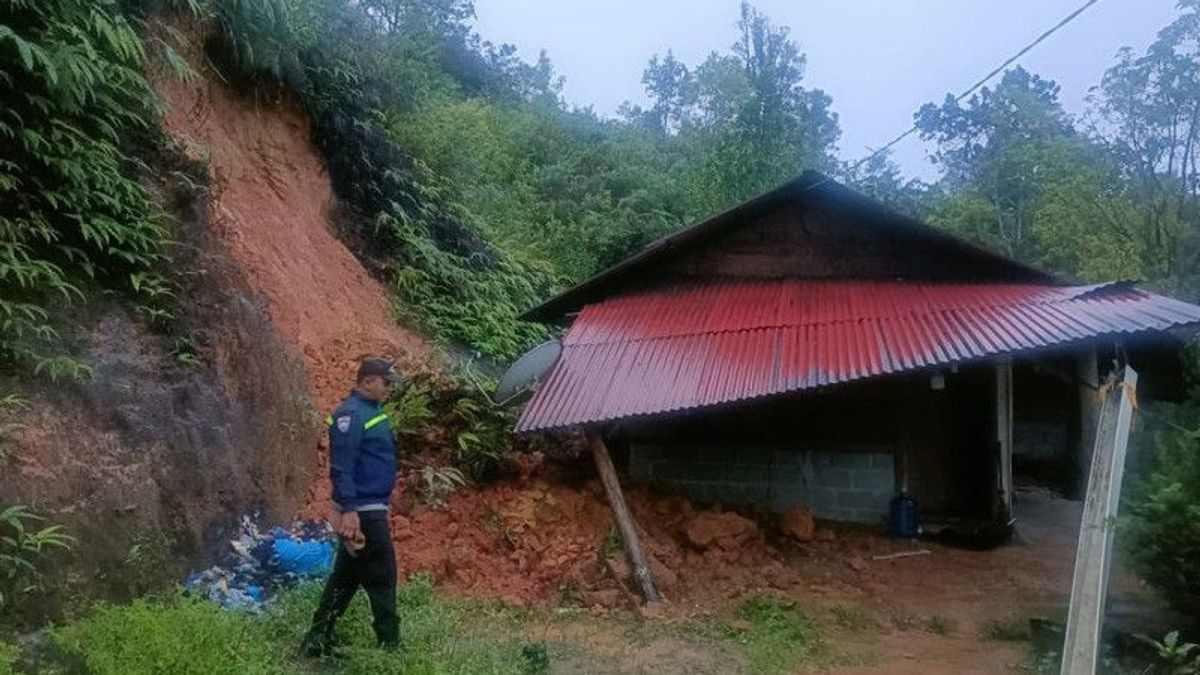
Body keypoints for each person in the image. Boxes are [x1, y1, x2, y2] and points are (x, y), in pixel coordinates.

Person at [303, 356, 402, 657]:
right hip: (363, 510)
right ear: (368, 381)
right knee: (383, 574)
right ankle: (391, 646)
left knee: (345, 578)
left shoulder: (370, 412)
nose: (389, 389)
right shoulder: (351, 414)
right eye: (387, 383)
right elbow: (342, 466)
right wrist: (348, 510)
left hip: (367, 507)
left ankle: (316, 639)